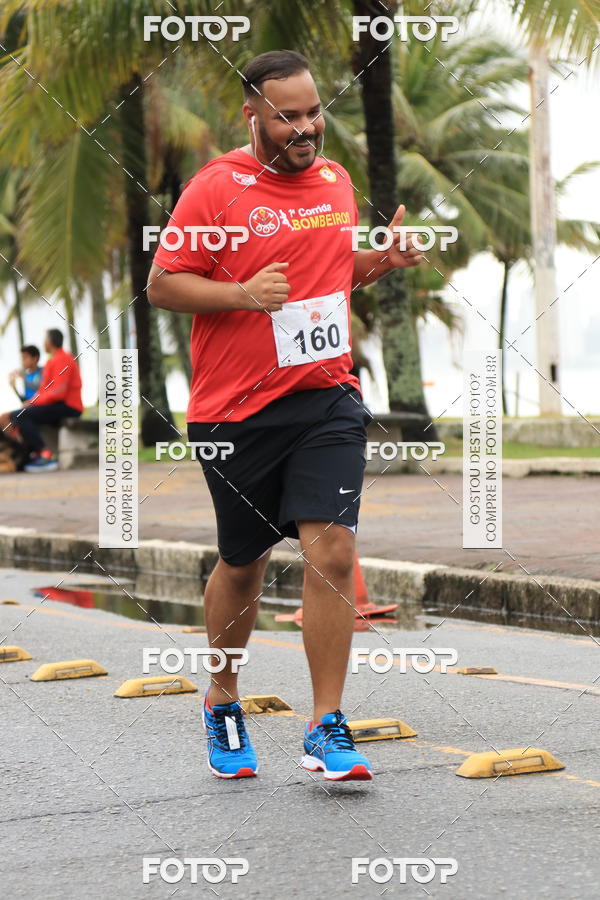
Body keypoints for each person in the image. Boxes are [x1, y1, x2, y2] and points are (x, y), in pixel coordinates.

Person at [147, 50, 422, 781]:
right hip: (234, 412)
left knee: (332, 550)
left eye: (312, 113)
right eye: (287, 117)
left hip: (326, 397)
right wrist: (241, 296)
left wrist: (379, 263)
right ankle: (223, 697)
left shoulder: (335, 183)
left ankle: (325, 725)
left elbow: (328, 271)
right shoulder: (216, 189)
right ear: (253, 115)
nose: (306, 129)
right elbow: (164, 286)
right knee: (244, 563)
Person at [2, 329, 83, 472]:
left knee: (19, 415)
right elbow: (44, 391)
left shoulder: (63, 358)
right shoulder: (53, 360)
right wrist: (30, 402)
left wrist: (32, 403)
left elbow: (58, 392)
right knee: (16, 415)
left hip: (69, 406)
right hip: (58, 404)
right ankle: (30, 454)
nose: (43, 343)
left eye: (44, 339)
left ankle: (46, 455)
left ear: (49, 342)